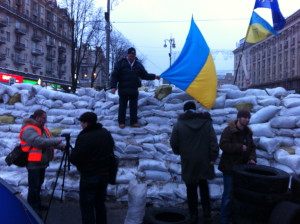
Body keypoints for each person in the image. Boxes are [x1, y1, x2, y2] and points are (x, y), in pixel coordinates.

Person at [170, 101, 219, 223]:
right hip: (204, 160)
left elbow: (173, 143)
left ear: (185, 111)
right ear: (195, 110)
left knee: (191, 188)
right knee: (203, 185)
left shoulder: (179, 124)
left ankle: (193, 215)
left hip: (188, 161)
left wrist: (179, 152)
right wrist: (213, 157)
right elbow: (213, 142)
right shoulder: (207, 123)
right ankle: (206, 211)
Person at [70, 112, 115, 224]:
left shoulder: (84, 137)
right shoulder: (104, 132)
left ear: (86, 123)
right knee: (100, 204)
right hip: (104, 174)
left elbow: (74, 158)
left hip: (90, 176)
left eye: (82, 122)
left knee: (87, 206)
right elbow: (111, 147)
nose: (81, 124)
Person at [20, 109, 64, 213]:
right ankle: (33, 208)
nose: (46, 120)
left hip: (41, 162)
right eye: (44, 118)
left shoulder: (43, 129)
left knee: (39, 184)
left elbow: (49, 140)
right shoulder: (29, 129)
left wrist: (61, 146)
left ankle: (37, 203)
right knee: (34, 187)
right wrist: (56, 141)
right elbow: (38, 142)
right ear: (38, 117)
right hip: (33, 162)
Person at [218, 109, 257, 224]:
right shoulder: (229, 130)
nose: (246, 119)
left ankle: (235, 216)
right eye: (244, 117)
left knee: (239, 193)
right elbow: (223, 145)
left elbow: (252, 148)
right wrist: (239, 147)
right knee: (228, 194)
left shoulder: (248, 132)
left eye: (248, 117)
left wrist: (252, 158)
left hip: (243, 169)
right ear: (238, 118)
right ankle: (224, 219)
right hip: (230, 168)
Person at [110, 47, 160, 128]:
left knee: (134, 106)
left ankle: (133, 122)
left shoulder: (138, 65)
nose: (131, 58)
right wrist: (113, 86)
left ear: (134, 56)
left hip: (133, 89)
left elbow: (145, 75)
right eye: (130, 56)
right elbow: (114, 75)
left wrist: (154, 76)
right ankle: (121, 122)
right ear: (127, 55)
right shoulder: (120, 63)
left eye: (132, 56)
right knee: (122, 105)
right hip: (123, 88)